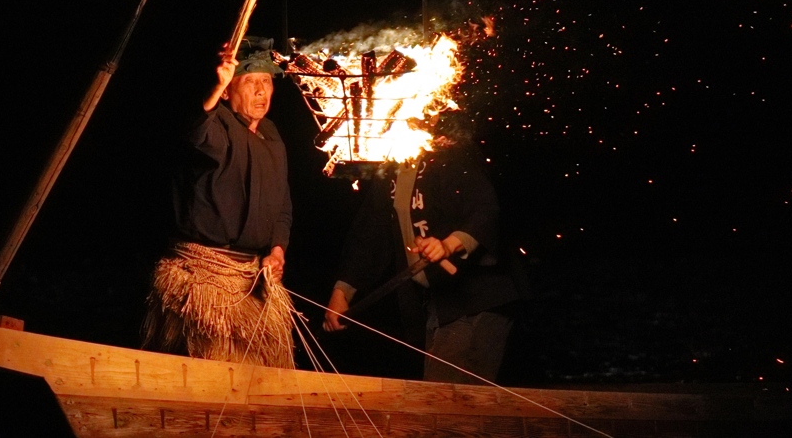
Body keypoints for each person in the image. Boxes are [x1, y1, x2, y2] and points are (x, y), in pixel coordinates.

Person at [322, 110, 524, 384]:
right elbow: (370, 233)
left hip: (477, 300)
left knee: (447, 402)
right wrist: (342, 291)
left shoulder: (454, 156)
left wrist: (449, 245)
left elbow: (485, 210)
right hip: (437, 305)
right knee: (442, 399)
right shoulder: (392, 166)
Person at [142, 38, 295, 368]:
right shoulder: (216, 124)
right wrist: (216, 85)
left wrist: (277, 250)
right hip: (205, 278)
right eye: (249, 81)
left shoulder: (272, 136)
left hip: (252, 280)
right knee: (209, 371)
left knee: (262, 380)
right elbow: (194, 128)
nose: (260, 91)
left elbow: (282, 203)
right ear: (228, 92)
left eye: (266, 82)